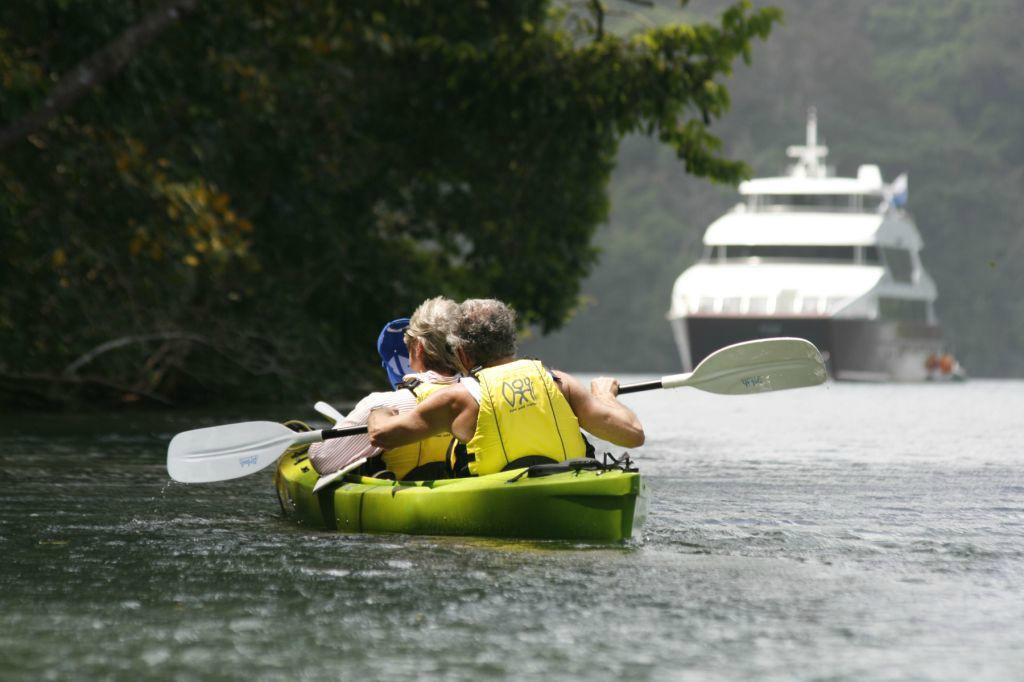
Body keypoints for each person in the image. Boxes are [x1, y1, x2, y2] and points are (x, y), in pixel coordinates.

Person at [368, 298, 644, 476]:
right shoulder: (558, 382)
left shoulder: (457, 399)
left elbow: (382, 436)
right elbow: (633, 436)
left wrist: (379, 411)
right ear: (512, 343)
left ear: (462, 354)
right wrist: (605, 396)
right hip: (566, 488)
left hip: (501, 504)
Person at [307, 296, 462, 481]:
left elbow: (322, 461)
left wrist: (313, 445)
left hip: (404, 498)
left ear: (418, 348)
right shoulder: (480, 395)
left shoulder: (383, 403)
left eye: (408, 342)